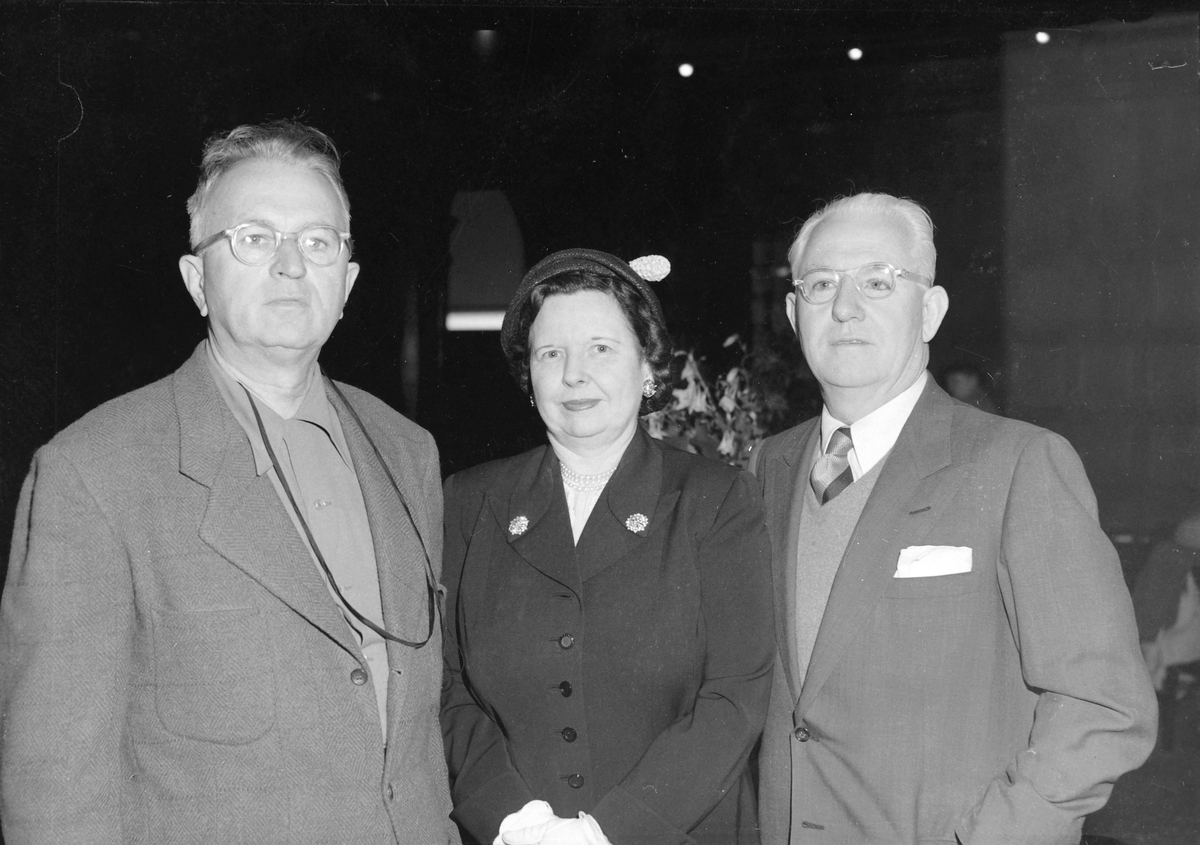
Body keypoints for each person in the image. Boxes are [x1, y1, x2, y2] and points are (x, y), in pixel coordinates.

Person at [0, 121, 458, 844]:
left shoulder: (409, 453)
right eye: (253, 237)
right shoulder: (93, 472)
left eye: (318, 242)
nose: (290, 266)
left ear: (349, 281)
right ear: (196, 279)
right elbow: (55, 787)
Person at [752, 192, 1157, 844]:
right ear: (795, 312)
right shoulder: (765, 468)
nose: (845, 306)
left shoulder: (1020, 463)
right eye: (821, 284)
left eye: (878, 281)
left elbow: (1102, 704)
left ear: (931, 310)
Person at [440, 249, 774, 845]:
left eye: (601, 348)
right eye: (551, 353)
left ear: (648, 369)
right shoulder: (470, 502)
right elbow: (448, 685)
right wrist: (517, 822)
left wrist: (607, 833)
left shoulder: (717, 502)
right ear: (529, 376)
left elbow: (736, 696)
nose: (574, 374)